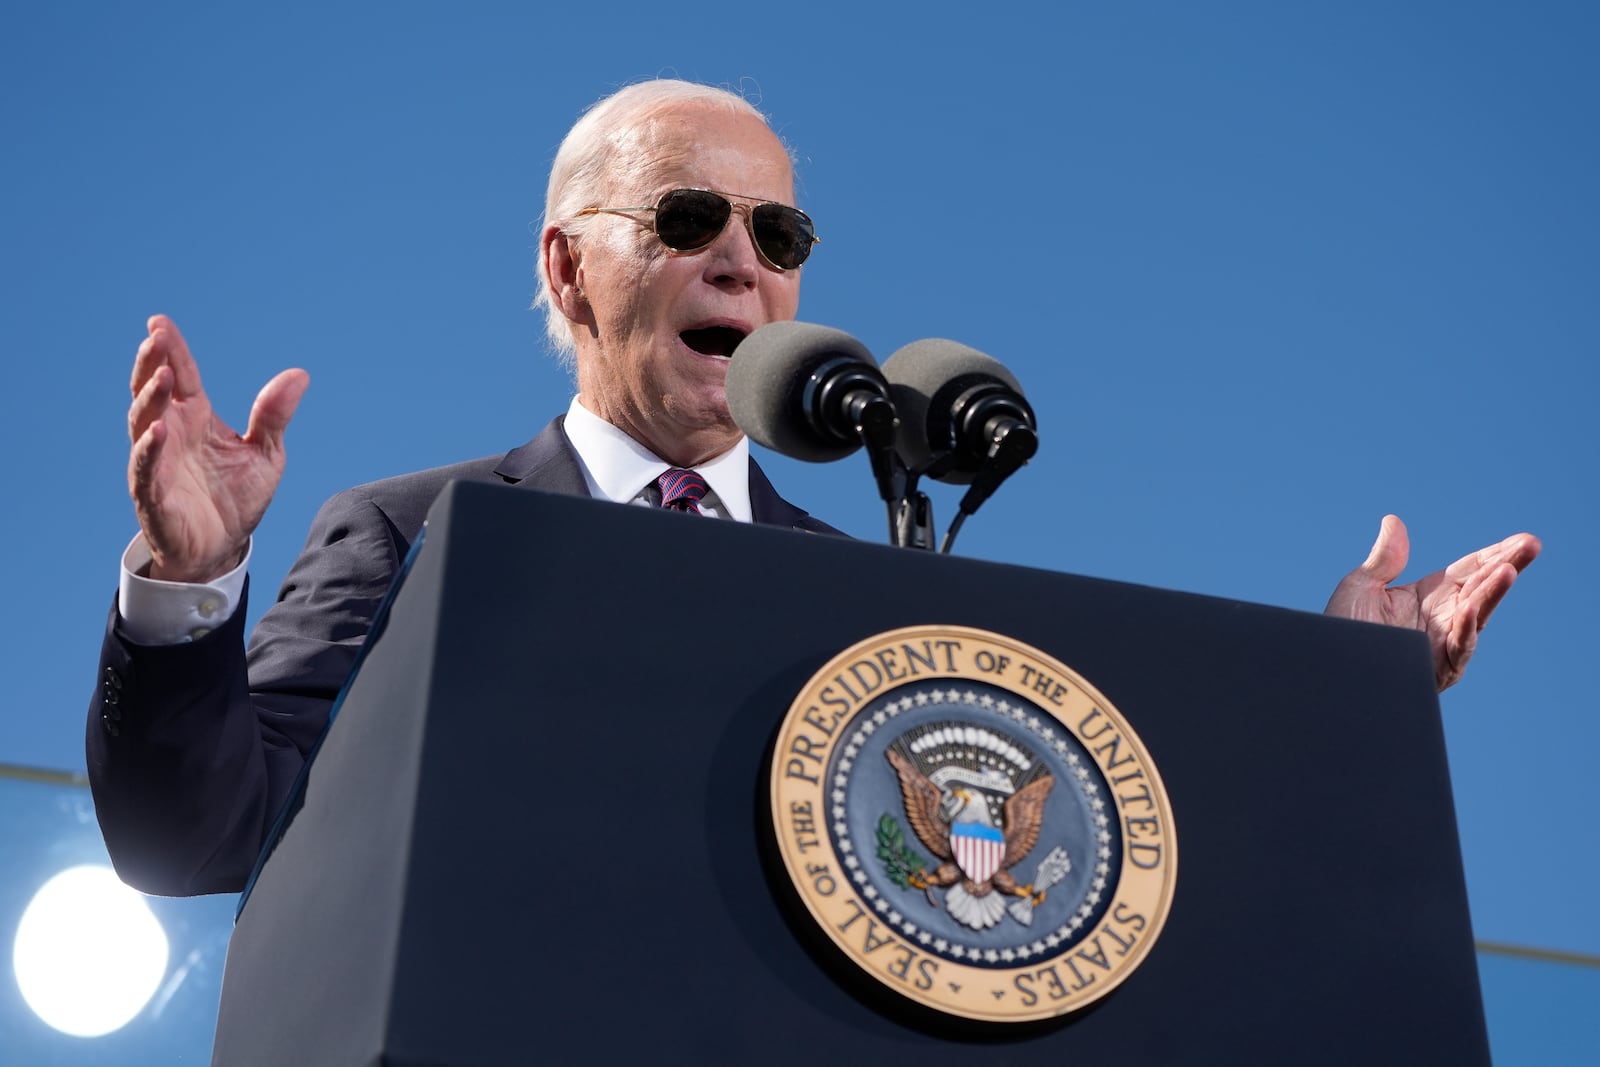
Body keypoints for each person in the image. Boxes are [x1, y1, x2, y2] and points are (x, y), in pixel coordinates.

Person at [87, 80, 1540, 898]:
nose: (743, 257)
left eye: (775, 226)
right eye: (687, 217)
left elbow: (1090, 855)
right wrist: (185, 586)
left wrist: (1347, 692)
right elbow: (207, 831)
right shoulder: (412, 535)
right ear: (567, 267)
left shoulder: (864, 601)